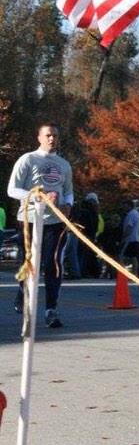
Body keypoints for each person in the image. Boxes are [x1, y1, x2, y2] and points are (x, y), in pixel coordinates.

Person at [7, 122, 74, 328]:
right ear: (39, 137)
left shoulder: (64, 165)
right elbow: (13, 189)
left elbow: (69, 191)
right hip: (29, 220)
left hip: (56, 222)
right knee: (31, 264)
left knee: (53, 263)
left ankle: (51, 309)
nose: (51, 138)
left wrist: (68, 205)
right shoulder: (28, 159)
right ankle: (22, 291)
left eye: (54, 135)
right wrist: (37, 196)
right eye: (48, 135)